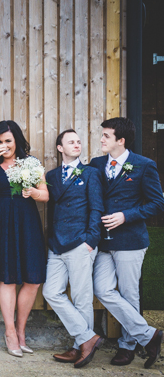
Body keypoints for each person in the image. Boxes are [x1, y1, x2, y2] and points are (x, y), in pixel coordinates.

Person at [89, 117, 164, 368]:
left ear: (120, 141)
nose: (101, 139)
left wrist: (126, 216)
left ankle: (127, 346)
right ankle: (149, 336)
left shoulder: (144, 165)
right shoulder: (96, 164)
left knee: (130, 294)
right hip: (103, 241)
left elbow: (157, 203)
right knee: (102, 289)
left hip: (131, 240)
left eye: (106, 136)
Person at [0, 120, 48, 358]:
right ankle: (9, 332)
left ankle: (21, 330)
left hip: (27, 221)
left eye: (8, 141)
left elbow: (45, 194)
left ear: (17, 140)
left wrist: (35, 192)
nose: (4, 145)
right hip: (1, 222)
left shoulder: (31, 162)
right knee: (8, 278)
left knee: (33, 279)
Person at [42, 129, 104, 368]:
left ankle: (80, 347)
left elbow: (97, 208)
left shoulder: (90, 173)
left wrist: (91, 240)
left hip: (81, 242)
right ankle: (87, 338)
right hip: (57, 243)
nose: (77, 144)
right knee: (51, 292)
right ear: (60, 148)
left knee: (81, 297)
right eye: (71, 142)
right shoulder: (52, 175)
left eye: (79, 141)